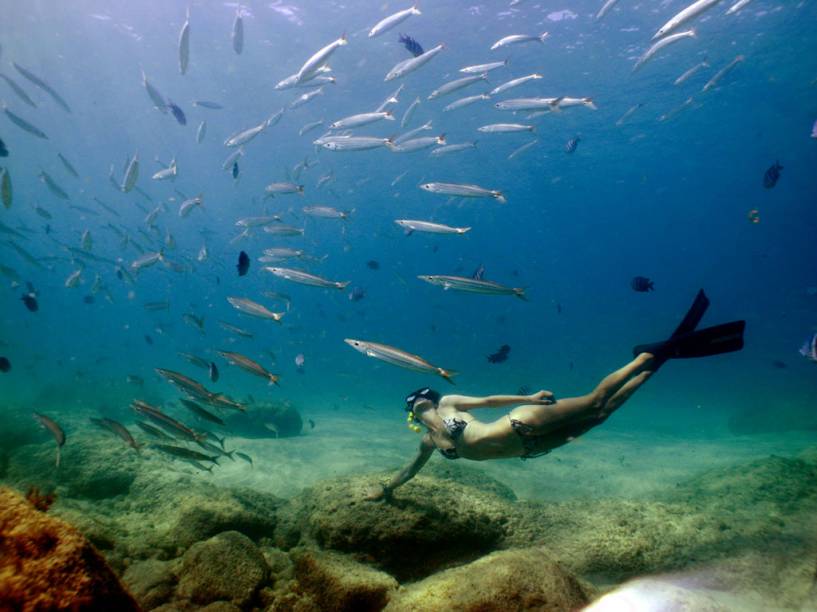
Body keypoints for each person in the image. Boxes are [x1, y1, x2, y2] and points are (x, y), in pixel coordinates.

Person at [366, 290, 745, 501]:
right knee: (601, 415)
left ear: (427, 399)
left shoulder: (447, 404)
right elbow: (409, 470)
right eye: (413, 407)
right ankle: (654, 368)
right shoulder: (427, 443)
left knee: (596, 399)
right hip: (532, 448)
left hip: (521, 422)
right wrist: (386, 489)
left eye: (418, 402)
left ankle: (644, 356)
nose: (416, 408)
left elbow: (489, 402)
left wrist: (530, 399)